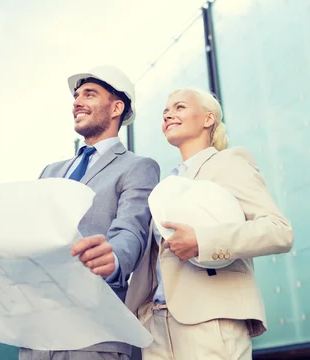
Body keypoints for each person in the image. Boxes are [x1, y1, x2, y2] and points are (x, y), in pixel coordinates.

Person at [0, 65, 160, 360]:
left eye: (89, 94)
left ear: (116, 107)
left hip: (93, 335)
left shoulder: (137, 167)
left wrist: (112, 256)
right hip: (37, 334)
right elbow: (13, 236)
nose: (77, 102)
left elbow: (131, 230)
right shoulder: (52, 171)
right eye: (76, 96)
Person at [125, 87, 294, 360]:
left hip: (209, 322)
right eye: (165, 111)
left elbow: (278, 231)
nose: (168, 115)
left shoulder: (229, 162)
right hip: (156, 327)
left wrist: (203, 242)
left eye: (179, 107)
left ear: (208, 119)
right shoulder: (167, 186)